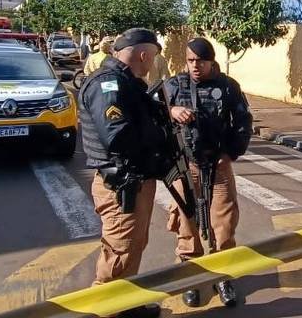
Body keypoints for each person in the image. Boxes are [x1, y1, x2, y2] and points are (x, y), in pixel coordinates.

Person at [78, 28, 164, 318]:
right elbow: (117, 136)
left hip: (133, 181)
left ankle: (125, 305)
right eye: (151, 58)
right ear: (143, 54)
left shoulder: (128, 83)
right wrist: (157, 138)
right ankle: (103, 310)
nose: (152, 64)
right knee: (119, 252)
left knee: (133, 247)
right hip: (121, 185)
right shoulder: (109, 84)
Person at [164, 37, 253, 308]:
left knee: (224, 223)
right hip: (184, 165)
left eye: (200, 61)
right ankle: (190, 277)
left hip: (218, 165)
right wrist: (171, 110)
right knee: (186, 222)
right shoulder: (173, 85)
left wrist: (229, 155)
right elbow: (151, 116)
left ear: (211, 61)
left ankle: (223, 276)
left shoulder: (227, 87)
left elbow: (242, 122)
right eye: (190, 60)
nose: (194, 66)